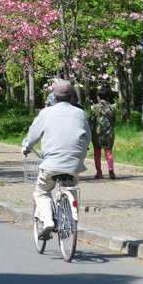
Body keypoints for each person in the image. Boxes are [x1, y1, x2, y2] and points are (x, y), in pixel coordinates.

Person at [21, 79, 92, 241]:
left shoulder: (46, 113)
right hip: (75, 165)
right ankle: (69, 217)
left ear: (54, 98)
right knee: (71, 186)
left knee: (42, 191)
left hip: (51, 165)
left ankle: (47, 221)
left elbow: (32, 137)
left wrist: (27, 147)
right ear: (72, 98)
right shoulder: (80, 114)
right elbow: (88, 137)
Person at [90, 87, 117, 180]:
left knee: (97, 152)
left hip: (97, 134)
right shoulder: (112, 107)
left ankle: (99, 173)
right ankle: (110, 168)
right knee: (108, 152)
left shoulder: (95, 107)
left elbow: (92, 121)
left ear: (98, 97)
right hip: (109, 132)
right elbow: (113, 120)